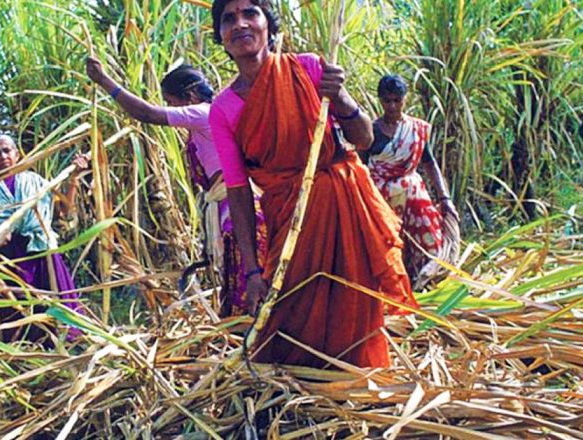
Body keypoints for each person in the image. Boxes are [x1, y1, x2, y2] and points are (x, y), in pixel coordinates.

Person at [208, 0, 418, 368]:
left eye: (250, 13)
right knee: (290, 312)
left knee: (351, 302)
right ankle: (298, 395)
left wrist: (340, 95)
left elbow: (364, 138)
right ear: (221, 37)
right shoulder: (223, 109)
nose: (240, 23)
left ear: (268, 25)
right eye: (229, 18)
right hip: (288, 217)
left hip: (344, 205)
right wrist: (253, 271)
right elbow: (239, 191)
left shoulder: (307, 68)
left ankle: (350, 388)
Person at [86, 57, 267, 317]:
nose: (170, 108)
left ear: (190, 96)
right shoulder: (207, 120)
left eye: (171, 102)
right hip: (226, 202)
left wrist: (104, 81)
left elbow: (148, 114)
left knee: (245, 275)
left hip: (235, 203)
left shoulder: (203, 112)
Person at [0, 134, 84, 343]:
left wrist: (74, 179)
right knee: (16, 304)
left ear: (17, 154)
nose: (2, 156)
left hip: (40, 248)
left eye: (7, 151)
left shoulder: (34, 181)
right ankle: (26, 348)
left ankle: (66, 343)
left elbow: (64, 210)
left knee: (55, 297)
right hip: (9, 255)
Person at [364, 75, 459, 280]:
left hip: (413, 198)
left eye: (397, 100)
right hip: (380, 198)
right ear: (380, 100)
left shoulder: (415, 130)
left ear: (405, 99)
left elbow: (429, 163)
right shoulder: (371, 131)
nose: (392, 106)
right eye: (387, 100)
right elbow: (360, 168)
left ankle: (423, 275)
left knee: (421, 235)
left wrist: (445, 199)